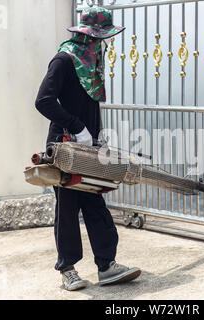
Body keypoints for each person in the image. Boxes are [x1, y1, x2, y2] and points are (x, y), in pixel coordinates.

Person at [35, 6, 141, 291]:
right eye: (98, 38)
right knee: (68, 208)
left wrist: (97, 135)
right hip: (65, 145)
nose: (101, 43)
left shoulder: (91, 63)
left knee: (95, 201)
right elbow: (43, 101)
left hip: (90, 145)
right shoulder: (64, 60)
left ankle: (107, 265)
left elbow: (90, 104)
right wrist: (76, 126)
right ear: (87, 36)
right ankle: (67, 269)